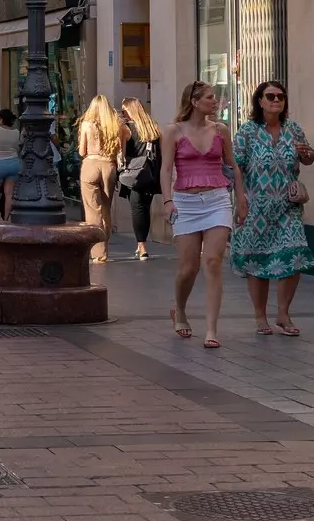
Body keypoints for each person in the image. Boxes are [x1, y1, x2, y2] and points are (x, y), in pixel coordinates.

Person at [159, 81, 246, 349]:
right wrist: (167, 201)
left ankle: (211, 329)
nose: (215, 102)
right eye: (210, 98)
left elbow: (233, 166)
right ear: (194, 102)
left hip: (217, 199)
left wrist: (241, 198)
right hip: (185, 202)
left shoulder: (220, 130)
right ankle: (181, 310)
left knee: (212, 261)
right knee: (188, 268)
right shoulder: (173, 131)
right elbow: (165, 170)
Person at [230, 80, 314, 335]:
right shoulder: (247, 132)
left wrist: (308, 155)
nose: (276, 100)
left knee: (295, 254)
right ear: (260, 101)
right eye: (271, 96)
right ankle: (260, 316)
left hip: (288, 206)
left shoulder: (294, 129)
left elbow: (308, 158)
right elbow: (235, 167)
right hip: (257, 206)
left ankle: (283, 313)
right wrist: (241, 200)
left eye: (281, 96)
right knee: (258, 260)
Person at [77, 96, 124, 264]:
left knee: (92, 210)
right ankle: (105, 243)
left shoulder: (86, 125)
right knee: (105, 208)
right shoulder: (116, 125)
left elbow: (82, 151)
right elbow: (121, 149)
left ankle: (98, 252)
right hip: (109, 167)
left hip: (90, 164)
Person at [117, 98, 164, 260]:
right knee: (145, 208)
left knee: (137, 209)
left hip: (134, 174)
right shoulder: (153, 127)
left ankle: (142, 245)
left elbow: (121, 154)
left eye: (124, 111)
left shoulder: (126, 129)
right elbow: (161, 153)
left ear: (130, 111)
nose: (123, 114)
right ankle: (142, 243)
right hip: (150, 173)